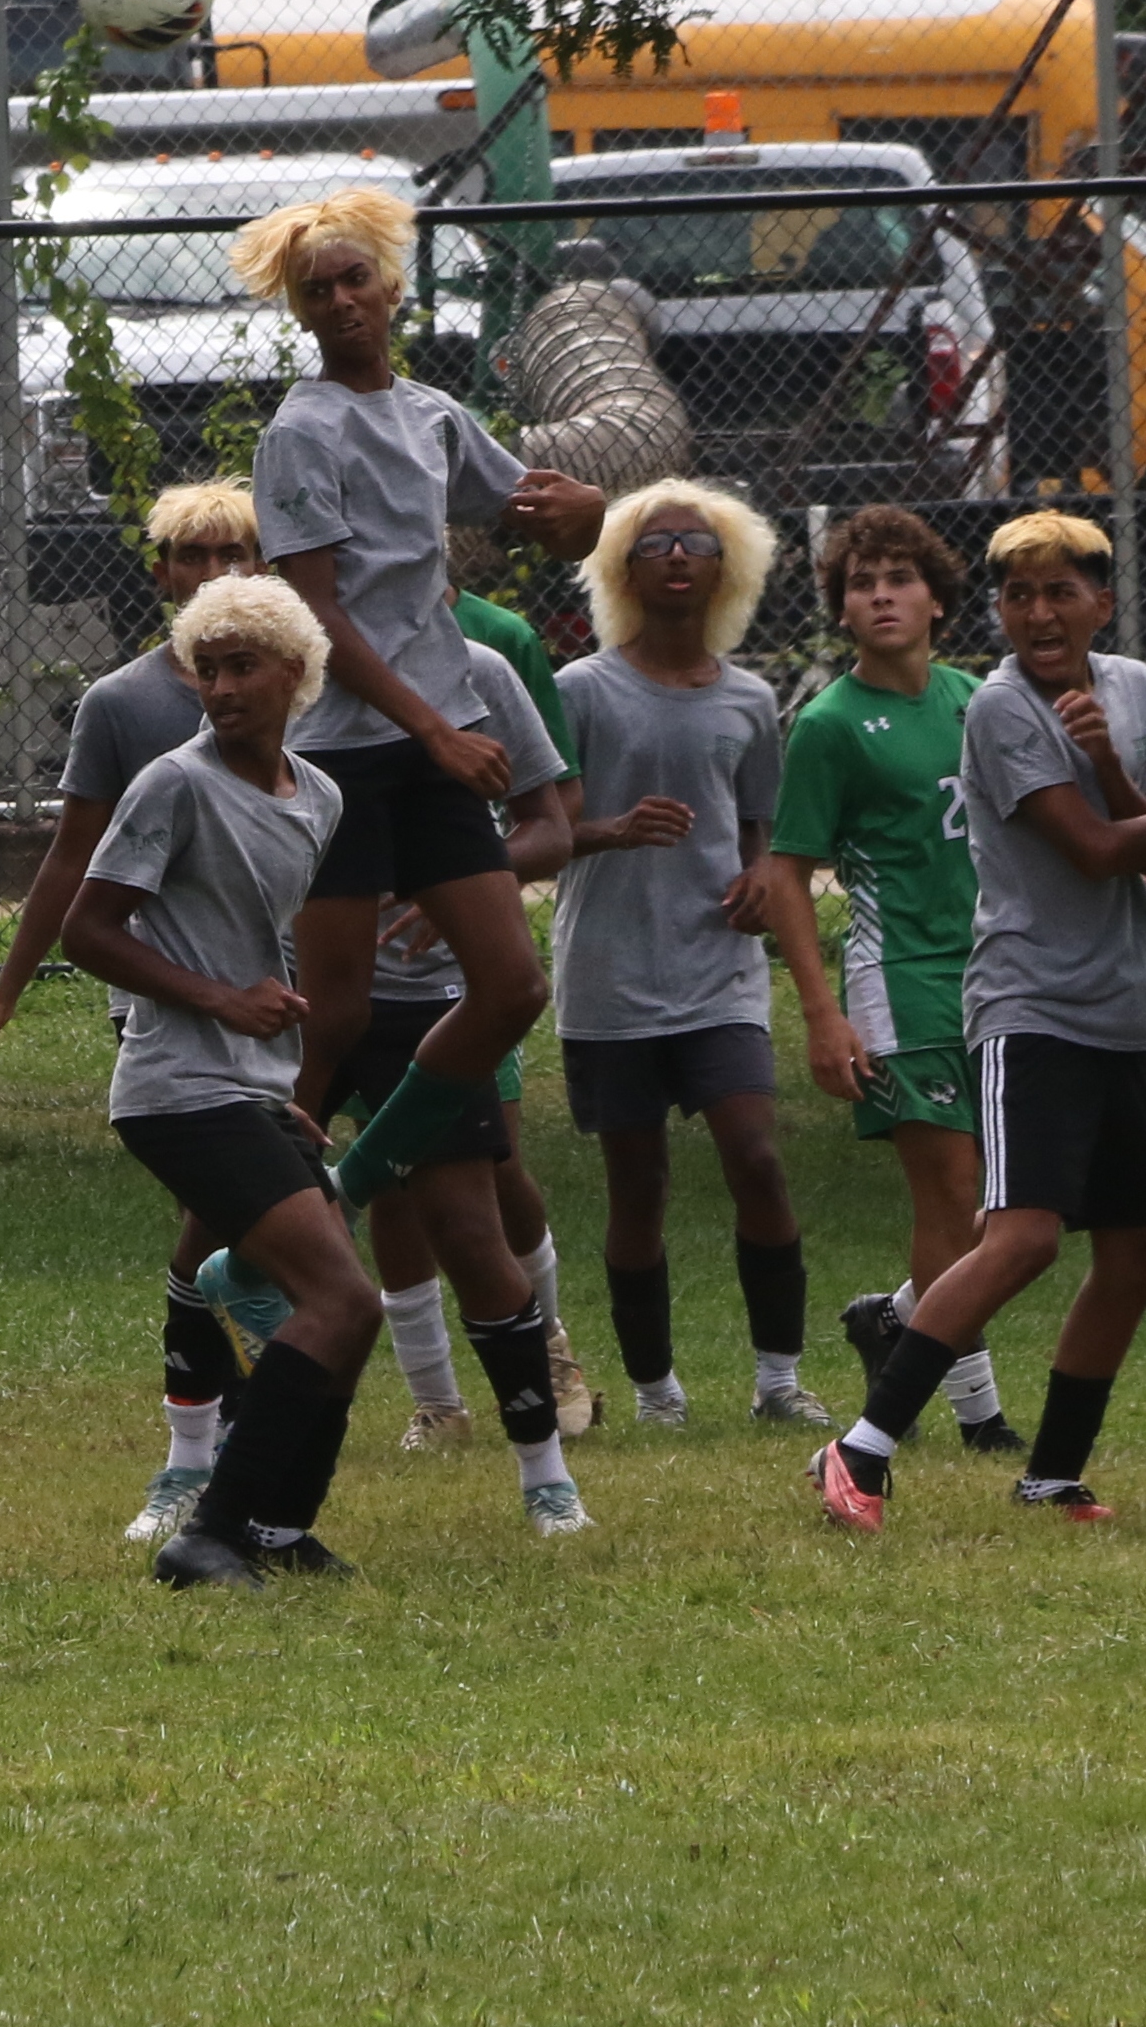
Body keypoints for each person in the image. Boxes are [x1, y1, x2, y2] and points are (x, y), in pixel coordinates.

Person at [231, 186, 607, 1213]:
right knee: (337, 1016)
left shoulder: (433, 415)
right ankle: (241, 1228)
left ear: (392, 288)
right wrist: (437, 728)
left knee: (513, 986)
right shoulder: (301, 433)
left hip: (436, 739)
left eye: (355, 280)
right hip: (346, 754)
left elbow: (547, 520)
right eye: (318, 292)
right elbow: (316, 616)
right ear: (301, 312)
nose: (341, 302)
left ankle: (352, 1182)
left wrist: (590, 510)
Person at [811, 512, 1146, 1530]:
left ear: (1102, 601)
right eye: (1019, 595)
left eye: (1061, 592)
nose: (1039, 613)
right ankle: (860, 1450)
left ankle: (1052, 1474)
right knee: (1022, 1238)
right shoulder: (1001, 707)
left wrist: (1118, 767)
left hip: (1118, 1004)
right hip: (1033, 1004)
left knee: (1136, 1254)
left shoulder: (1133, 684)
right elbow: (1096, 850)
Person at [64, 575, 418, 1586]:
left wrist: (284, 1096)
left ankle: (274, 1529)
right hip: (175, 1089)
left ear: (296, 674)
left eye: (242, 667)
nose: (220, 688)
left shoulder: (321, 797)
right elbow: (88, 929)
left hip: (245, 1089)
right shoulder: (172, 784)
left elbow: (264, 948)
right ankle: (211, 1530)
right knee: (338, 1299)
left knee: (348, 1308)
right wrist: (221, 1002)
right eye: (206, 669)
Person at [0, 478, 266, 1543]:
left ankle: (260, 1431)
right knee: (213, 1219)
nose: (214, 573)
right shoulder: (124, 706)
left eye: (234, 553)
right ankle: (193, 1456)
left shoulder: (303, 690)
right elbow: (72, 860)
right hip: (172, 1007)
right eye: (193, 555)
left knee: (282, 1220)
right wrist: (5, 994)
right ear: (161, 572)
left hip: (287, 1003)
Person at [757, 507, 1024, 1453]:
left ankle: (896, 1317)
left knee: (1008, 1206)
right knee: (952, 1194)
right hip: (900, 979)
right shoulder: (831, 725)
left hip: (1000, 969)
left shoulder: (980, 701)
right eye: (861, 583)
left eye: (899, 578)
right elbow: (787, 874)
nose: (880, 595)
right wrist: (821, 1015)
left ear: (938, 600)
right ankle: (980, 1417)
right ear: (841, 608)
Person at [552, 480, 819, 1427]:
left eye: (698, 545)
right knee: (639, 1185)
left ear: (727, 571)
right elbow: (539, 833)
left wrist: (761, 878)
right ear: (621, 571)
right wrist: (611, 830)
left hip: (718, 975)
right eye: (655, 543)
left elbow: (762, 833)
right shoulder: (581, 691)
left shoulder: (749, 700)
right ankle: (656, 1392)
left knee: (757, 1156)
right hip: (609, 976)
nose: (677, 556)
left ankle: (779, 1382)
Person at [334, 630, 593, 1530]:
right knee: (264, 1220)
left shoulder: (480, 669)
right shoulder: (282, 675)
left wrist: (452, 885)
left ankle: (546, 1426)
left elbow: (550, 827)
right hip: (310, 997)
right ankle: (205, 1462)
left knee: (479, 1203)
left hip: (440, 997)